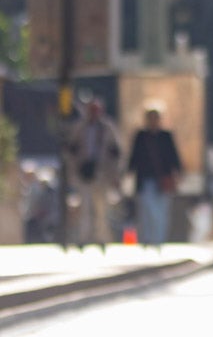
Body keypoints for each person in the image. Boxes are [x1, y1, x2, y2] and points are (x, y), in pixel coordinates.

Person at [63, 97, 122, 248]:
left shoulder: (107, 128)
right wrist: (75, 168)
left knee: (101, 207)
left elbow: (116, 152)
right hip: (83, 173)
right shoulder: (80, 128)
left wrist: (115, 175)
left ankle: (101, 238)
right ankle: (83, 237)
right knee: (84, 206)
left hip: (102, 174)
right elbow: (70, 150)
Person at [126, 107, 183, 247]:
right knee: (146, 211)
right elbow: (134, 157)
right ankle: (146, 239)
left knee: (160, 212)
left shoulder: (166, 136)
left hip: (163, 181)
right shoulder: (141, 136)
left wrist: (178, 173)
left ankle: (158, 240)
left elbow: (173, 156)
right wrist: (127, 172)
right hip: (145, 180)